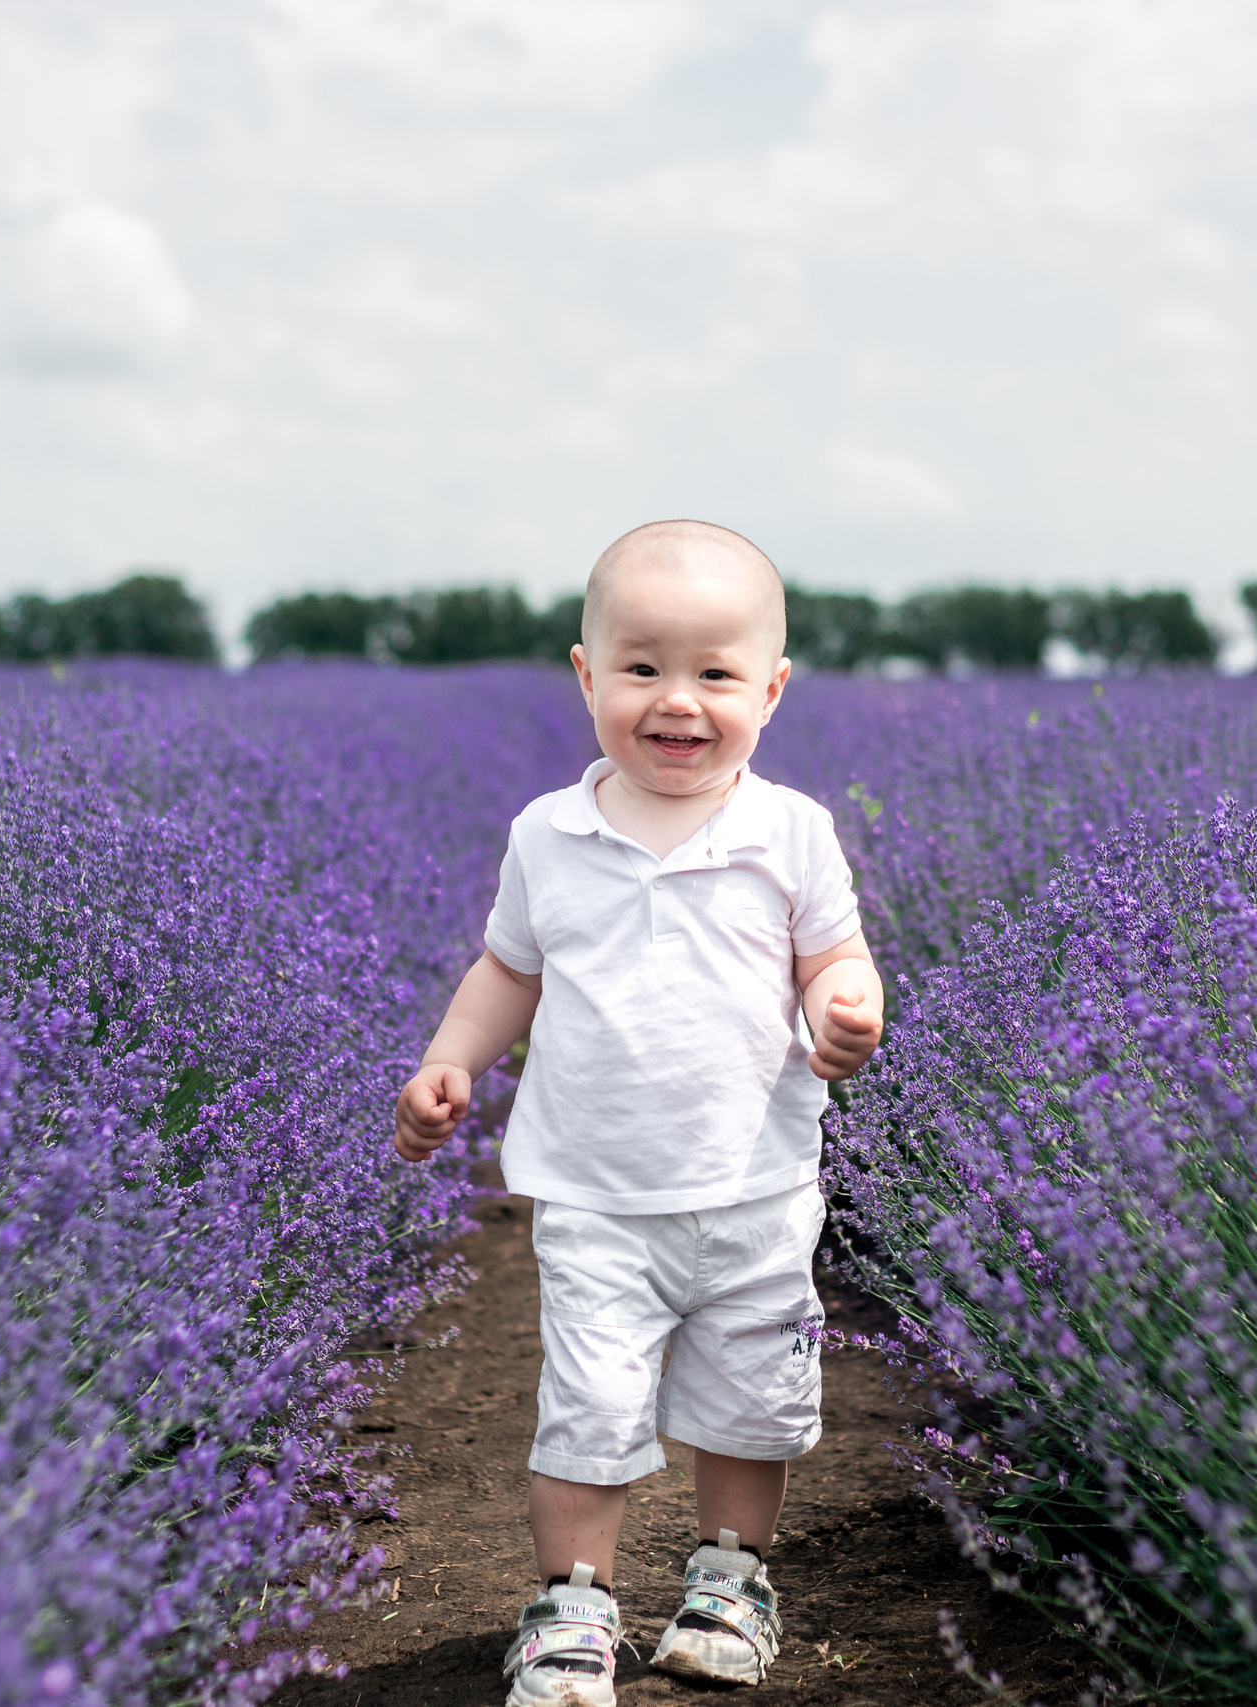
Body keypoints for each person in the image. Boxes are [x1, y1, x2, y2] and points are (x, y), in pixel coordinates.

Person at [393, 519, 885, 1706]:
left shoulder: (790, 832)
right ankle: (574, 1608)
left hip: (758, 1192)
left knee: (754, 1409)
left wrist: (848, 1006)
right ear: (586, 676)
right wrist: (451, 1059)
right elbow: (508, 970)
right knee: (589, 1410)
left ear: (771, 690)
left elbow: (832, 953)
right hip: (598, 1198)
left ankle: (730, 1584)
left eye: (715, 672)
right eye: (642, 667)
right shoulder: (547, 835)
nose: (678, 699)